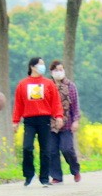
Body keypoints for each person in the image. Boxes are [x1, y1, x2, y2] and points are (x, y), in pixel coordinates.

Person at [12, 56, 63, 187]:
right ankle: (29, 174)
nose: (43, 66)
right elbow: (18, 104)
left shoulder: (48, 83)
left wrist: (58, 116)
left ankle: (44, 178)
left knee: (45, 149)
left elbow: (55, 102)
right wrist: (15, 121)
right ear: (32, 67)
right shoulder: (23, 84)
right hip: (29, 120)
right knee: (27, 147)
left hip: (44, 119)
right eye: (40, 64)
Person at [47, 59, 82, 184]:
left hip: (67, 123)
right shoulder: (47, 86)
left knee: (67, 148)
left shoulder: (70, 86)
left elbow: (75, 105)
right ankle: (56, 176)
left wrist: (76, 120)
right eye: (56, 70)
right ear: (51, 72)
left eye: (61, 69)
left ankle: (75, 170)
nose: (59, 72)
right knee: (52, 150)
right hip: (51, 124)